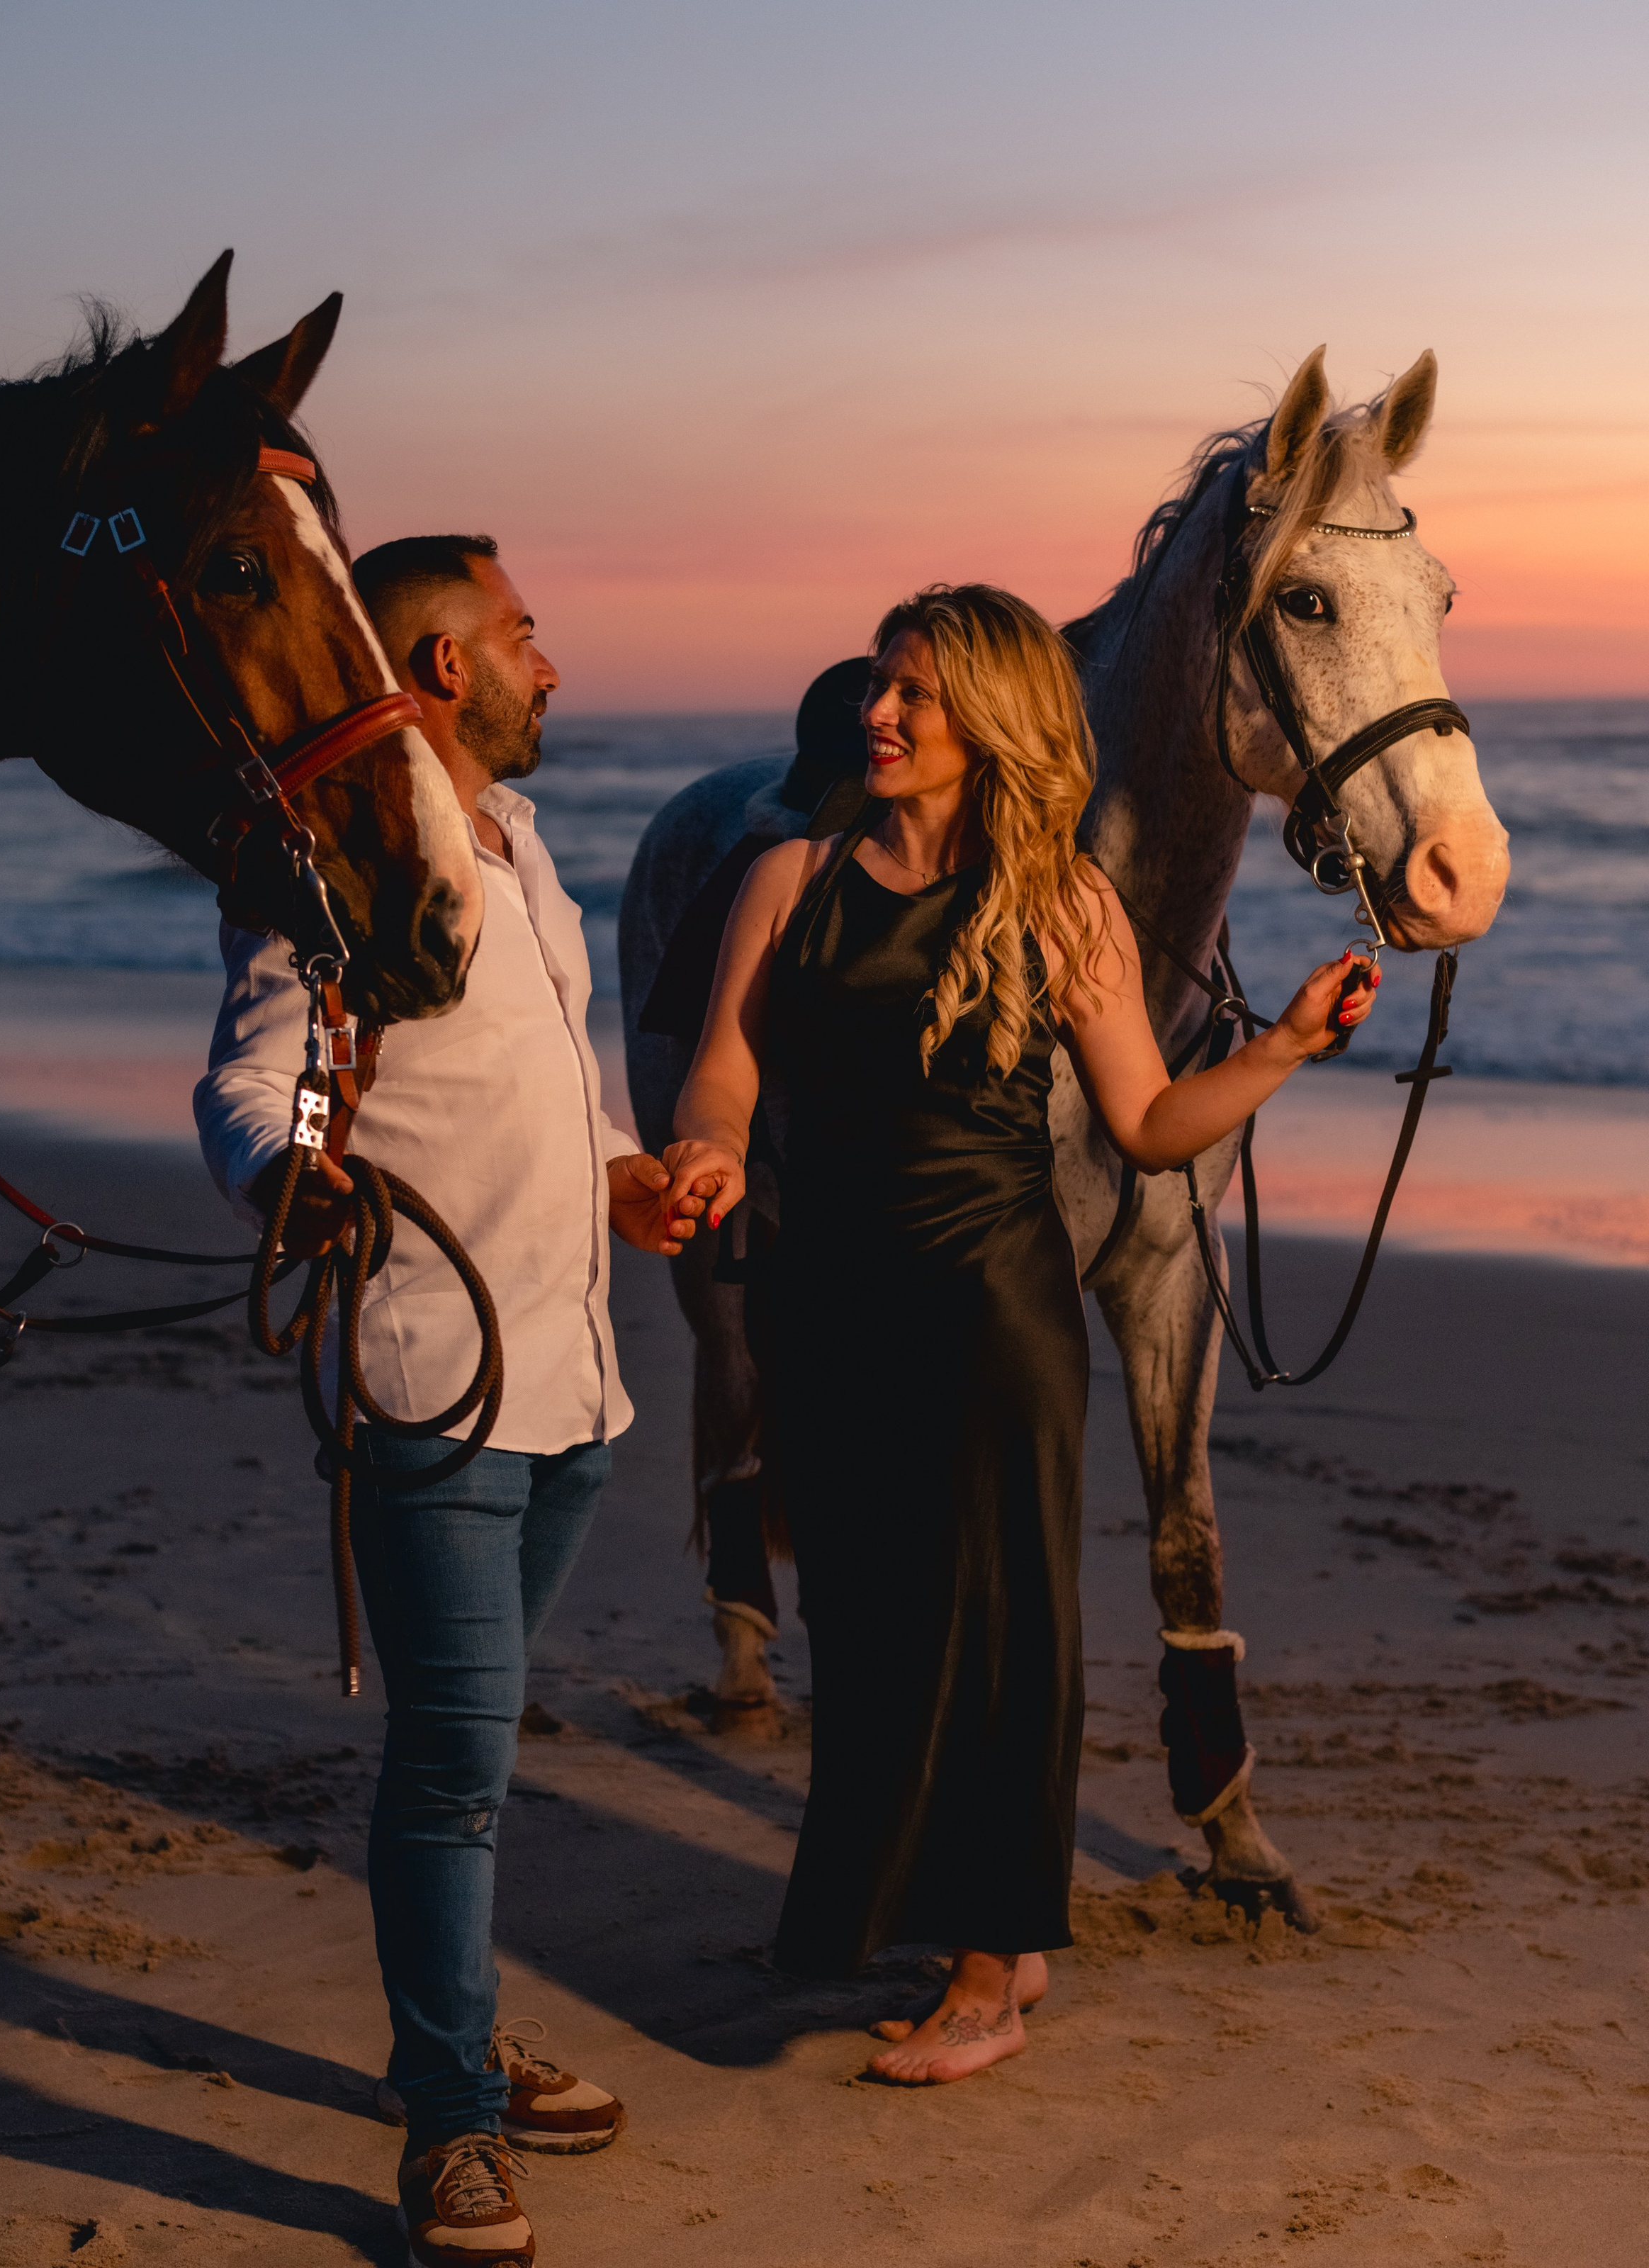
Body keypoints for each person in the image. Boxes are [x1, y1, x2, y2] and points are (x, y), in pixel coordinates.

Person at [663, 583, 1378, 2087]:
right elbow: (721, 1066)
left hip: (990, 1302)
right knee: (863, 1630)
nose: (878, 712)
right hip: (827, 1299)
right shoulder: (789, 875)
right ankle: (977, 1921)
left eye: (914, 694)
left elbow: (1143, 1121)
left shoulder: (1059, 902)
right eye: (876, 683)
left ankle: (990, 1973)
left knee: (1001, 1632)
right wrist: (710, 1150)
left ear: (988, 722)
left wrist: (1284, 1044)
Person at [195, 534, 702, 2265]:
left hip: (573, 1384)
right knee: (455, 1770)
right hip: (431, 1376)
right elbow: (258, 1084)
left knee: (471, 1745)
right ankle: (448, 2123)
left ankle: (458, 2035)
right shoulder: (329, 854)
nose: (549, 665)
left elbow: (558, 1090)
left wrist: (635, 1180)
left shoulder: (523, 843)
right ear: (435, 659)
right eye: (523, 635)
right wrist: (295, 1176)